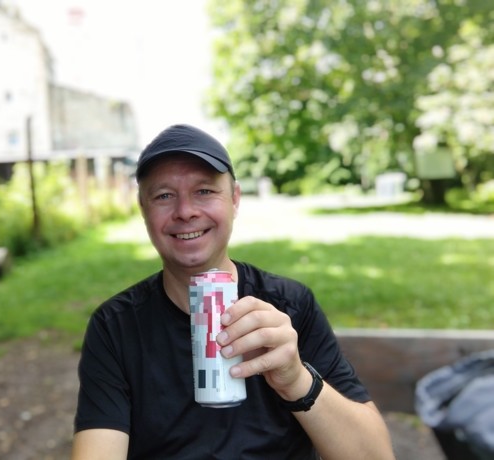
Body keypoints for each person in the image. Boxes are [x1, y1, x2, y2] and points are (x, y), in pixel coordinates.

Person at [71, 124, 395, 459]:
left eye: (204, 191)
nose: (185, 211)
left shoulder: (289, 307)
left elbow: (376, 457)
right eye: (164, 195)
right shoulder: (116, 326)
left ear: (235, 199)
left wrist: (296, 379)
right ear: (143, 209)